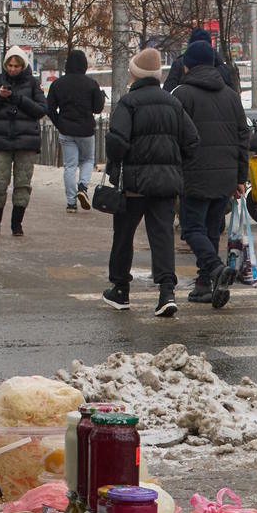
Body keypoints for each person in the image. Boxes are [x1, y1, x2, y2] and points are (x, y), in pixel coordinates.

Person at [103, 46, 197, 318]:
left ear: (135, 74)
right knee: (162, 236)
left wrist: (120, 161)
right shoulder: (173, 104)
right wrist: (174, 164)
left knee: (124, 235)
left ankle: (120, 290)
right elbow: (192, 142)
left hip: (133, 186)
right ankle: (166, 292)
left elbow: (117, 143)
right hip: (166, 185)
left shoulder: (128, 103)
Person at [168, 31, 250, 307]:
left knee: (192, 229)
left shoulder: (181, 94)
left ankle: (215, 269)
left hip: (194, 173)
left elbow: (173, 135)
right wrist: (240, 177)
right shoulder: (231, 96)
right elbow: (243, 136)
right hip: (225, 176)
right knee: (212, 230)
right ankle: (205, 284)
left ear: (188, 65)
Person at [0, 48, 50, 235]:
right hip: (0, 140)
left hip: (26, 142)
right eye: (9, 65)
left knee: (22, 183)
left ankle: (17, 224)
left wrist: (18, 99)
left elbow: (41, 109)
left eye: (16, 66)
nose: (12, 69)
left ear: (23, 66)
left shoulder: (32, 83)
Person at [48, 47, 105, 211]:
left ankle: (71, 203)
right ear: (84, 65)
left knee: (70, 166)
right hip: (86, 130)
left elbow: (49, 108)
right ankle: (83, 187)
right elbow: (98, 108)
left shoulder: (57, 84)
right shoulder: (91, 84)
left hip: (66, 130)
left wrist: (60, 123)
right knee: (88, 160)